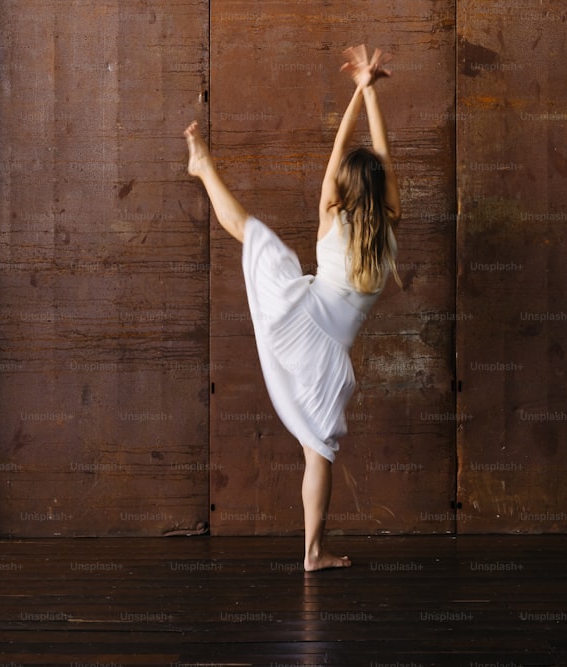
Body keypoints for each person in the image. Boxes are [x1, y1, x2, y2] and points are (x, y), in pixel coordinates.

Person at [184, 44, 400, 571]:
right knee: (318, 451)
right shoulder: (389, 231)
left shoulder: (331, 214)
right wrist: (371, 92)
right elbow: (385, 159)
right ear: (381, 196)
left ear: (345, 192)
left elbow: (341, 147)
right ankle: (312, 552)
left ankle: (205, 168)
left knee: (251, 234)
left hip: (298, 316)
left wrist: (360, 89)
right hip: (326, 355)